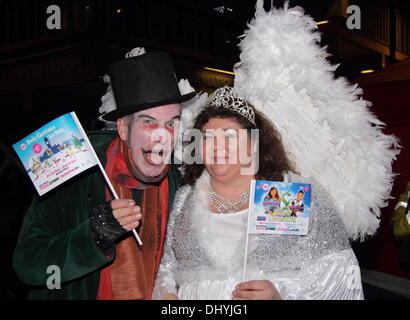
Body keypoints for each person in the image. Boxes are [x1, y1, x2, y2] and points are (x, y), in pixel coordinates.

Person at [12, 51, 196, 300]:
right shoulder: (76, 171)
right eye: (149, 122)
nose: (162, 137)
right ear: (123, 127)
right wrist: (94, 236)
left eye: (171, 123)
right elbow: (27, 263)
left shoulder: (178, 182)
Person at [152, 86, 363, 300]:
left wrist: (281, 295)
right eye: (207, 138)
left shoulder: (289, 195)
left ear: (253, 144)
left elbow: (341, 273)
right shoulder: (185, 200)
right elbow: (165, 266)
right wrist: (166, 294)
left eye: (229, 136)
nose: (216, 146)